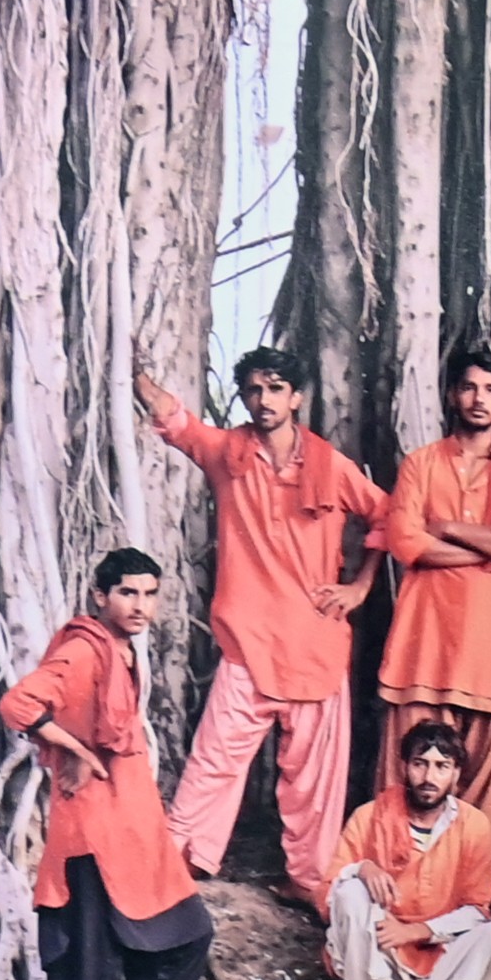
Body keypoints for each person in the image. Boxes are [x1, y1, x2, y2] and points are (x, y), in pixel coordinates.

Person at [137, 346, 387, 912]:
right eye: (253, 389)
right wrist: (138, 374)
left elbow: (388, 515)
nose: (264, 400)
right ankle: (178, 862)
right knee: (214, 761)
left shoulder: (332, 465)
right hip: (249, 642)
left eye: (276, 388)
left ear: (296, 397)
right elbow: (178, 422)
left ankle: (309, 879)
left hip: (316, 643)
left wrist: (361, 587)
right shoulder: (229, 454)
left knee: (314, 781)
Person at [0, 548, 216, 980]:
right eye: (127, 593)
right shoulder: (84, 651)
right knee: (89, 963)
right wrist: (77, 750)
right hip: (91, 829)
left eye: (149, 593)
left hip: (133, 824)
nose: (140, 605)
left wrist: (77, 749)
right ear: (101, 596)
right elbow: (18, 704)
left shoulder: (123, 651)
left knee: (188, 934)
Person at [376, 345, 491, 839]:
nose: (479, 399)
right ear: (453, 395)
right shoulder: (421, 464)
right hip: (427, 638)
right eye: (470, 387)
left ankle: (475, 886)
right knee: (411, 760)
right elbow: (406, 542)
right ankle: (400, 867)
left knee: (490, 776)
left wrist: (444, 527)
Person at [323, 718, 491, 980]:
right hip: (378, 949)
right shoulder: (369, 816)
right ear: (404, 767)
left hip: (438, 948)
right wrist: (363, 868)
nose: (429, 778)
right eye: (420, 764)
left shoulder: (473, 825)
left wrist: (417, 931)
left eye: (442, 766)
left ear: (457, 774)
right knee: (351, 890)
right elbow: (327, 897)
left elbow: (477, 909)